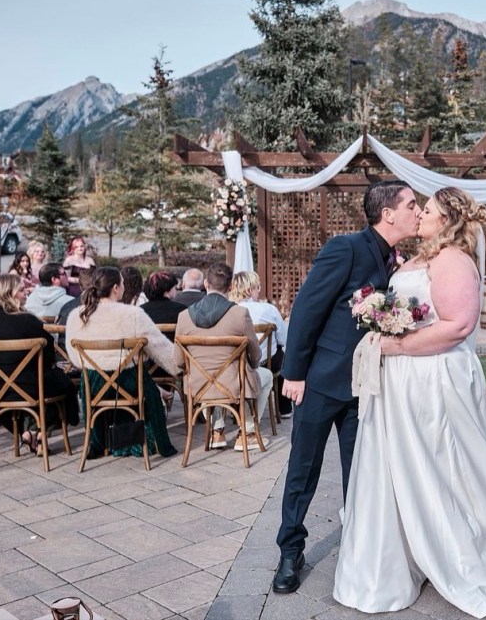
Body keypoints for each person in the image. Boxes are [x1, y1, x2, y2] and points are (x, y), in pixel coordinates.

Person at [333, 187, 486, 618]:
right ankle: (401, 546)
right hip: (404, 379)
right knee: (402, 463)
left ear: (446, 220)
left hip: (432, 378)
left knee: (439, 463)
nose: (419, 214)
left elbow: (458, 326)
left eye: (427, 209)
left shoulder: (452, 259)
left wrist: (397, 345)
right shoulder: (421, 257)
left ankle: (451, 542)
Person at [273, 180, 421, 595]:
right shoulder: (346, 248)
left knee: (361, 473)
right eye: (411, 205)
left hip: (365, 387)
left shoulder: (395, 260)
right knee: (303, 469)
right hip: (320, 382)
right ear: (387, 213)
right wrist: (294, 373)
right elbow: (306, 308)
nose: (418, 211)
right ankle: (290, 551)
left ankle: (359, 550)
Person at [65, 266, 178, 459]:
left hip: (92, 384)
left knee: (139, 380)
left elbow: (75, 357)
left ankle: (99, 442)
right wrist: (179, 367)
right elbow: (160, 348)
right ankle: (156, 442)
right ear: (116, 288)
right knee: (148, 387)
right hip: (128, 383)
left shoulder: (77, 315)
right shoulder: (132, 314)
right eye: (123, 283)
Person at [0, 274, 79, 453]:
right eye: (21, 290)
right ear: (9, 294)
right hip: (32, 387)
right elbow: (49, 355)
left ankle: (28, 431)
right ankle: (38, 432)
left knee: (50, 383)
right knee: (63, 383)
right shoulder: (28, 321)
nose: (26, 292)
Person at [175, 264, 273, 451]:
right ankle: (247, 433)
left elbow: (179, 362)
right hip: (235, 384)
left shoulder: (184, 317)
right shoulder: (240, 314)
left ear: (206, 284)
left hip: (198, 386)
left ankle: (216, 431)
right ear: (230, 287)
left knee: (207, 375)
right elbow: (255, 357)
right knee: (265, 375)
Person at [229, 270, 291, 418]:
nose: (259, 291)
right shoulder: (269, 309)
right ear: (250, 290)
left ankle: (235, 407)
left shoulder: (228, 310)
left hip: (235, 363)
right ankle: (284, 408)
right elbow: (283, 339)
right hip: (266, 362)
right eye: (258, 287)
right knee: (283, 357)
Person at [141, 271, 186, 340]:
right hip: (173, 346)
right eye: (174, 287)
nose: (176, 290)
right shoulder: (181, 310)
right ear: (167, 289)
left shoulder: (140, 311)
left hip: (147, 346)